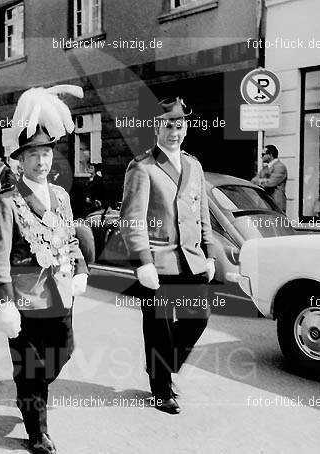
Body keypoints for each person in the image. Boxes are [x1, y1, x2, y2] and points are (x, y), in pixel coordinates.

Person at [0, 84, 87, 454]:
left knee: (63, 352)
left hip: (61, 293)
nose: (41, 161)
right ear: (20, 160)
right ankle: (37, 430)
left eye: (46, 153)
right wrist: (4, 303)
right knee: (30, 367)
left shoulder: (61, 196)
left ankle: (29, 393)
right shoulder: (7, 202)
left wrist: (81, 269)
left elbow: (72, 239)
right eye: (32, 154)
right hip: (26, 298)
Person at [119, 97, 216, 415]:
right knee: (159, 326)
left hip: (192, 259)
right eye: (167, 125)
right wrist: (142, 261)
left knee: (197, 319)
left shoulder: (194, 165)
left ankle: (160, 363)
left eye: (179, 125)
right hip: (158, 262)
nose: (173, 131)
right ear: (156, 128)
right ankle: (162, 389)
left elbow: (203, 212)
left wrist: (210, 252)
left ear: (186, 128)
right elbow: (132, 218)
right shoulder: (142, 167)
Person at [251, 144, 288, 211]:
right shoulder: (265, 168)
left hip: (276, 204)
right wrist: (261, 181)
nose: (261, 157)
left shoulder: (280, 167)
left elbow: (271, 183)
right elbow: (253, 180)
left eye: (263, 154)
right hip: (266, 204)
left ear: (270, 155)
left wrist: (259, 181)